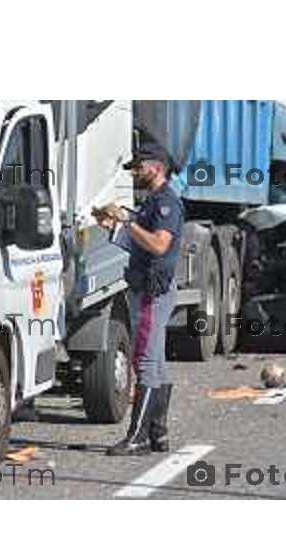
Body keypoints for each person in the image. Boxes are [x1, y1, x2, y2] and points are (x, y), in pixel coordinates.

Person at [94, 142, 184, 456]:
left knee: (144, 360)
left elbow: (159, 245)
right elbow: (141, 245)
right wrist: (117, 225)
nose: (135, 172)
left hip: (151, 291)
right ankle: (158, 432)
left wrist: (128, 223)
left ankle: (138, 438)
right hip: (145, 287)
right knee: (155, 361)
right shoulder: (152, 202)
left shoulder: (165, 203)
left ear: (157, 166)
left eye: (140, 166)